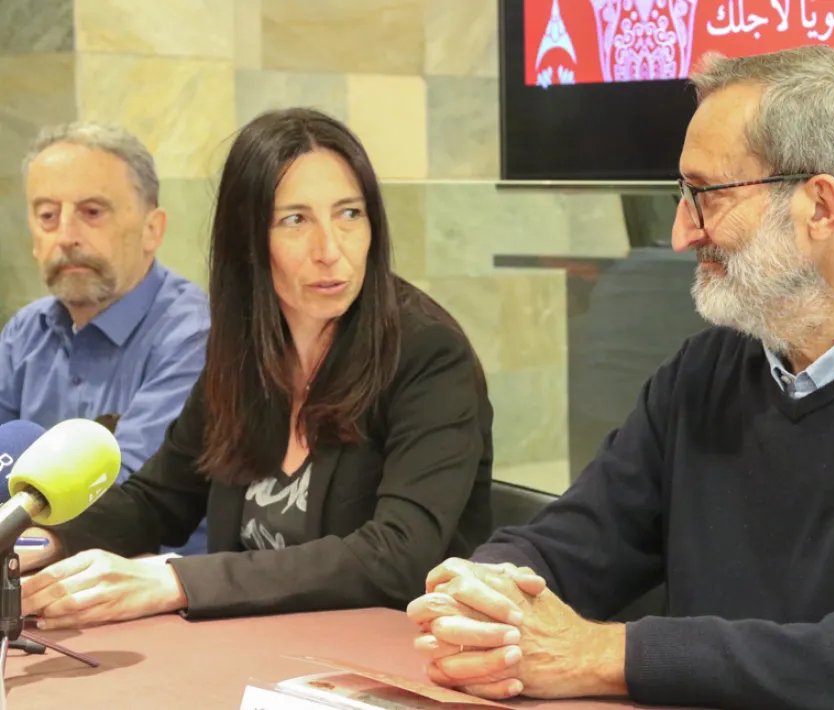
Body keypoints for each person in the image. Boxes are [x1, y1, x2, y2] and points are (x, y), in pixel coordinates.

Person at [405, 46, 834, 709]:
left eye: (705, 195)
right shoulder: (704, 372)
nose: (681, 233)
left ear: (820, 208)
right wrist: (484, 593)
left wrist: (605, 655)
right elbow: (569, 545)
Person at [18, 107, 494, 628]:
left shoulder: (429, 353)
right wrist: (35, 541)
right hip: (250, 648)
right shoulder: (247, 347)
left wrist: (177, 581)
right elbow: (158, 500)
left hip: (385, 652)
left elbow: (398, 555)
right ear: (247, 240)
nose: (330, 249)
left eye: (349, 214)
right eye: (296, 220)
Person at [0, 121, 209, 554]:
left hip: (150, 583)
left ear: (153, 229)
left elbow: (125, 500)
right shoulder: (25, 331)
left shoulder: (193, 333)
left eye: (92, 212)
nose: (66, 236)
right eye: (47, 215)